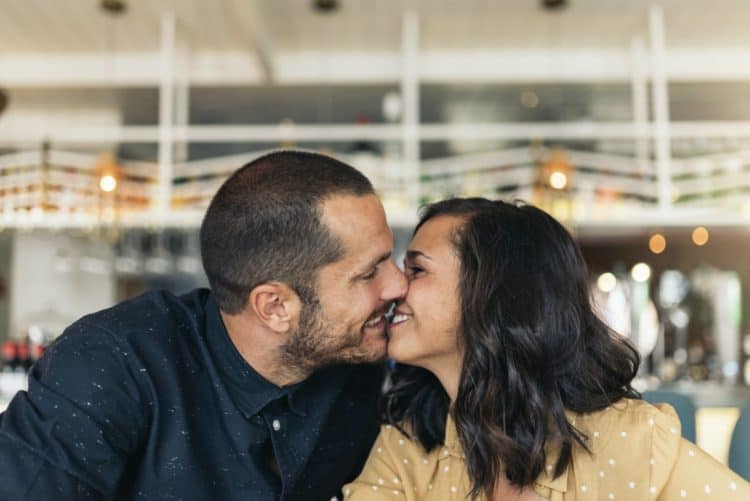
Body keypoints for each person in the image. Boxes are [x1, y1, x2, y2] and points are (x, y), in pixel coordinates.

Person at [0, 150, 408, 500]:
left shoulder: (360, 360)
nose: (398, 283)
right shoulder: (111, 363)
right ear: (275, 306)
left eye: (391, 258)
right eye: (370, 272)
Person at [344, 198, 750, 500]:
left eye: (416, 269)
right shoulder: (408, 448)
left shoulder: (629, 441)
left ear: (494, 295)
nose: (396, 287)